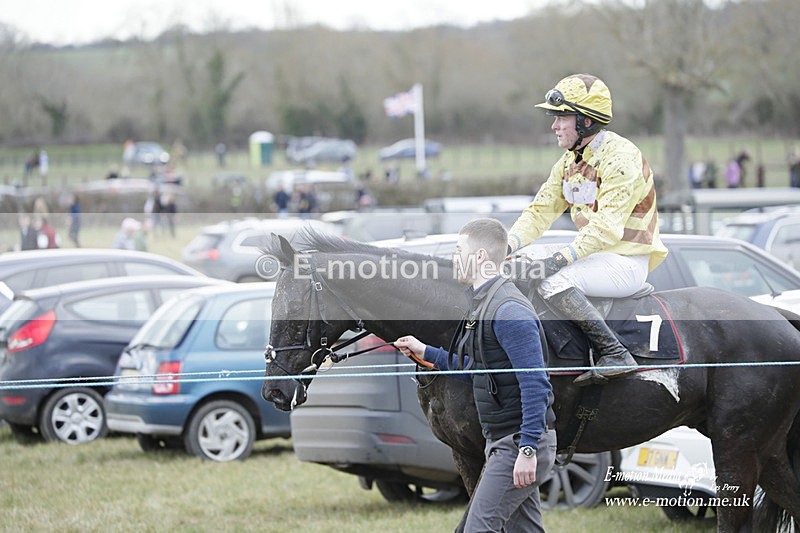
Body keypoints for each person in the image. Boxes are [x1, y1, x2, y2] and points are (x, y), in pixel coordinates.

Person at [394, 218, 555, 533]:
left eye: (458, 250)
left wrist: (527, 449)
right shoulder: (484, 304)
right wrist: (427, 353)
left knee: (476, 529)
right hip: (502, 442)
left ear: (480, 256)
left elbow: (536, 384)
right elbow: (480, 372)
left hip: (518, 444)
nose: (454, 258)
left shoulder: (509, 311)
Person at [506, 73, 668, 386]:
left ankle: (615, 352)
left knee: (554, 276)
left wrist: (557, 260)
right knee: (522, 261)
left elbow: (606, 230)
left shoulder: (622, 158)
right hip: (594, 258)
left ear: (586, 122)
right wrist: (509, 244)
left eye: (561, 118)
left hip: (626, 262)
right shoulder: (568, 162)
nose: (554, 126)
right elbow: (540, 211)